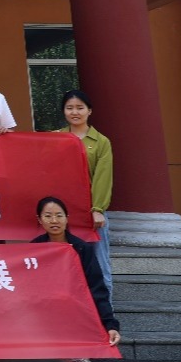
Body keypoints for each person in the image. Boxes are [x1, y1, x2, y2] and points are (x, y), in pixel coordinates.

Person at [32, 196, 121, 362]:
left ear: (67, 218)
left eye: (59, 215)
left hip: (75, 308)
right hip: (44, 308)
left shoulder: (82, 248)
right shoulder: (35, 247)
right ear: (39, 220)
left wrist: (110, 325)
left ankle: (73, 352)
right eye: (48, 216)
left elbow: (97, 287)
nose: (54, 220)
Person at [60, 89, 114, 293]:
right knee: (66, 262)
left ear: (89, 111)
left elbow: (103, 177)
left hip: (91, 213)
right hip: (62, 213)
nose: (75, 112)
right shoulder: (55, 138)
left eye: (80, 108)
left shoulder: (101, 142)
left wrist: (97, 209)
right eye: (69, 108)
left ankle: (105, 310)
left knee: (99, 263)